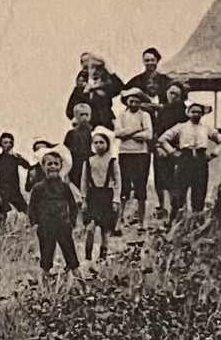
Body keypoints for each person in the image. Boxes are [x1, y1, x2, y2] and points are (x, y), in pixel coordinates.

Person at [158, 100, 219, 219]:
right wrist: (172, 152)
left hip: (201, 159)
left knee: (199, 190)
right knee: (180, 190)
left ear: (202, 114)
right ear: (188, 113)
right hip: (185, 158)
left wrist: (213, 154)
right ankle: (177, 220)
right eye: (193, 112)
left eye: (199, 112)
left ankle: (196, 220)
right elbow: (162, 139)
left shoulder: (207, 128)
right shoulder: (181, 126)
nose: (196, 114)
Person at [28, 146, 81, 275]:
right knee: (46, 253)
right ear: (43, 167)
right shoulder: (38, 188)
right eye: (49, 164)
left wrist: (72, 222)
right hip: (45, 226)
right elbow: (32, 207)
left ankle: (76, 275)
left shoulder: (64, 187)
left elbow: (73, 206)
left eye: (56, 164)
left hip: (63, 224)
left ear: (61, 166)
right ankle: (45, 278)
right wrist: (34, 223)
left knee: (69, 251)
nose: (53, 166)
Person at [114, 86, 155, 228]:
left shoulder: (145, 116)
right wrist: (137, 130)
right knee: (124, 187)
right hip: (125, 153)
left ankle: (142, 222)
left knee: (141, 188)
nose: (134, 104)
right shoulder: (121, 116)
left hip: (141, 154)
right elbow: (118, 133)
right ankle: (119, 220)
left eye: (137, 102)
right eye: (131, 101)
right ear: (126, 102)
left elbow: (148, 135)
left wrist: (129, 135)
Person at [151, 81, 189, 217]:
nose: (173, 96)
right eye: (171, 93)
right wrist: (157, 147)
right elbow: (156, 131)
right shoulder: (163, 110)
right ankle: (163, 208)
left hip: (177, 149)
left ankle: (179, 209)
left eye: (176, 94)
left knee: (177, 180)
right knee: (161, 179)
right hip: (161, 149)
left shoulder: (185, 111)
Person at [80, 127, 118, 262]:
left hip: (106, 195)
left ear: (107, 144)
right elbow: (84, 181)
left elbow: (117, 181)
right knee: (90, 227)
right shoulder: (89, 161)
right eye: (95, 143)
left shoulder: (112, 161)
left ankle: (103, 256)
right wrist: (83, 199)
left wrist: (116, 200)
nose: (98, 145)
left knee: (105, 229)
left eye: (101, 142)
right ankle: (87, 256)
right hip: (93, 196)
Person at [65, 54, 121, 131]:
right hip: (86, 128)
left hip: (105, 126)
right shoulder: (80, 89)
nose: (95, 71)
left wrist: (110, 71)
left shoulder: (107, 86)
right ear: (88, 69)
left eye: (99, 68)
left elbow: (121, 88)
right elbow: (69, 111)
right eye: (92, 68)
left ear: (103, 70)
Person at [0, 133, 30, 227]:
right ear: (0, 144)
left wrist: (20, 158)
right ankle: (2, 236)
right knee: (3, 214)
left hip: (15, 191)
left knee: (27, 211)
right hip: (3, 191)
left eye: (10, 142)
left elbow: (27, 166)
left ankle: (28, 231)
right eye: (5, 142)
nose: (8, 145)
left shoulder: (15, 158)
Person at [63, 103, 93, 190]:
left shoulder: (94, 132)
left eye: (86, 114)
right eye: (81, 115)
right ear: (76, 116)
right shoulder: (71, 134)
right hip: (75, 165)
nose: (84, 117)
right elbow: (66, 153)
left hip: (90, 164)